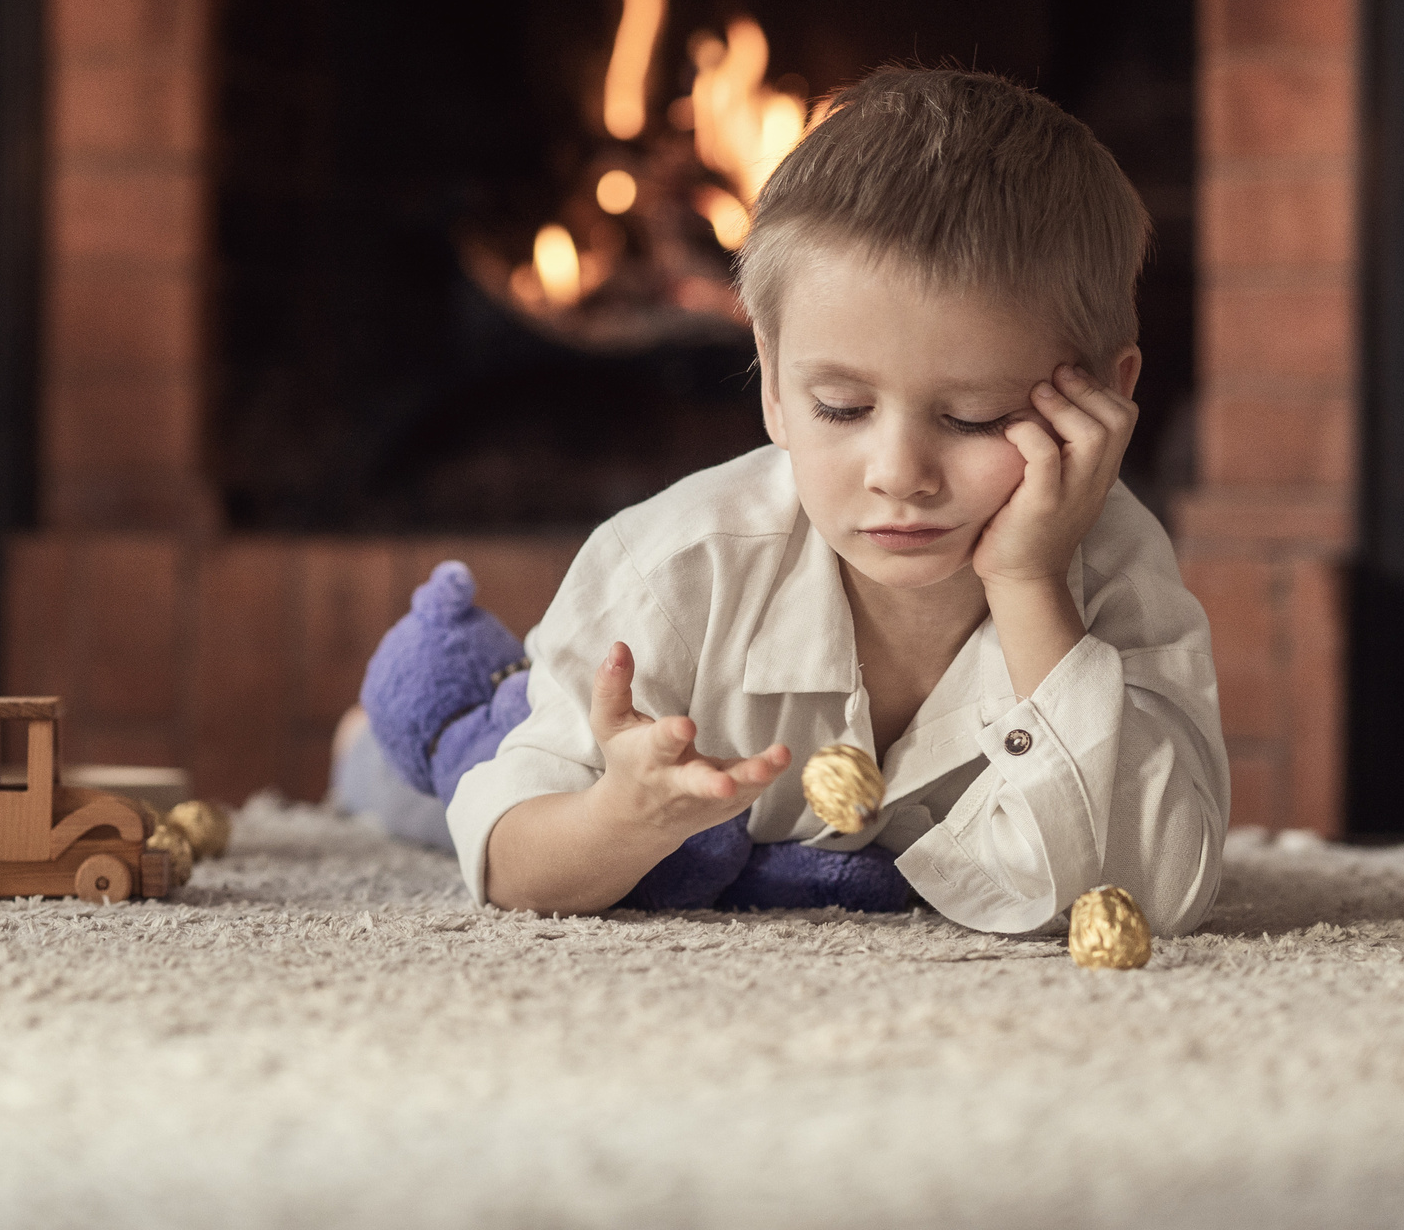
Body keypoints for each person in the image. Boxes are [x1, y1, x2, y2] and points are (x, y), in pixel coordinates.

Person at [352, 67, 1228, 935]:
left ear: (1104, 400)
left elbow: (1158, 893)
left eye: (975, 417)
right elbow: (512, 866)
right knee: (440, 783)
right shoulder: (671, 570)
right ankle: (374, 746)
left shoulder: (1112, 564)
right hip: (597, 778)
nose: (899, 474)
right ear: (773, 386)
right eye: (841, 408)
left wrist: (1032, 588)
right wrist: (623, 818)